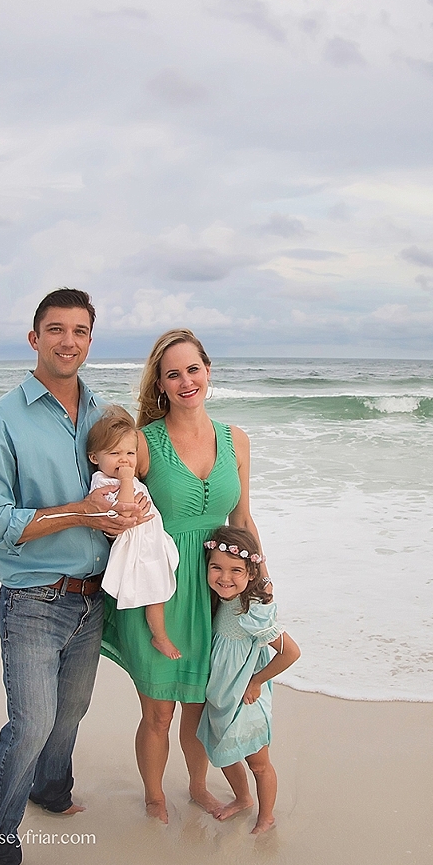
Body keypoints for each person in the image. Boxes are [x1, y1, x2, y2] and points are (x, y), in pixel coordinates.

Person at [0, 288, 146, 865]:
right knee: (33, 721)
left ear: (91, 339)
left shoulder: (103, 414)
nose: (69, 341)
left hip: (94, 599)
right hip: (32, 600)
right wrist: (79, 512)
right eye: (55, 329)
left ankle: (52, 790)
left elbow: (125, 479)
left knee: (69, 716)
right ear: (33, 337)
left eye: (80, 330)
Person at [102, 328, 265, 824]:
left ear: (208, 372)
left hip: (217, 589)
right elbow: (114, 507)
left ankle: (196, 787)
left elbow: (242, 520)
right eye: (173, 373)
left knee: (198, 706)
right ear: (161, 384)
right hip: (160, 590)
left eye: (193, 369)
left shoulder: (236, 439)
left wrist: (260, 584)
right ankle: (154, 796)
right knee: (159, 712)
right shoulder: (144, 443)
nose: (186, 380)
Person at [196, 525, 300, 834]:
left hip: (246, 700)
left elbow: (290, 653)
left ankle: (266, 816)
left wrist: (256, 681)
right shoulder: (219, 601)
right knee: (223, 753)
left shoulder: (253, 612)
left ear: (251, 574)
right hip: (221, 696)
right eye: (216, 567)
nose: (224, 577)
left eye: (235, 571)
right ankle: (243, 799)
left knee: (258, 763)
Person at [85, 405, 180, 656]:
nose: (124, 460)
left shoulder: (123, 477)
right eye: (114, 453)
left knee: (160, 588)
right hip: (135, 546)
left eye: (130, 452)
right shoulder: (102, 482)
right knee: (155, 591)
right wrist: (127, 480)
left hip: (150, 540)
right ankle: (159, 637)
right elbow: (124, 512)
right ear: (95, 458)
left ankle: (160, 635)